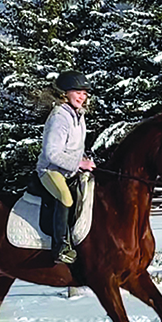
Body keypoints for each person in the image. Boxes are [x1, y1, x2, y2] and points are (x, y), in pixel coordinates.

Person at [36, 70, 96, 264]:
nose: (82, 96)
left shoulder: (78, 115)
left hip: (69, 169)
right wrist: (79, 163)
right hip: (51, 170)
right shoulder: (59, 117)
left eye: (85, 93)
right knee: (66, 198)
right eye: (77, 91)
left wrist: (85, 159)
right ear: (64, 93)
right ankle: (60, 247)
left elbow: (75, 147)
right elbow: (51, 153)